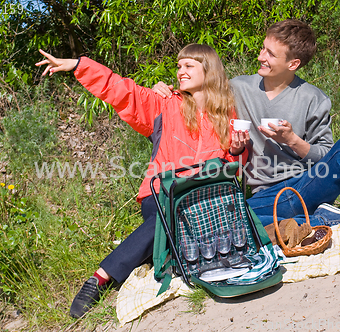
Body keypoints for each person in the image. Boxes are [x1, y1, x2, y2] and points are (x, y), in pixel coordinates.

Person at [152, 19, 340, 251]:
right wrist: (164, 90)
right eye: (263, 49)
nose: (261, 57)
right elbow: (204, 88)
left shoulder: (313, 98)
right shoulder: (237, 89)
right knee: (229, 220)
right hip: (265, 195)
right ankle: (328, 218)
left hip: (306, 183)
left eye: (270, 54)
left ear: (293, 64)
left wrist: (292, 141)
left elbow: (327, 153)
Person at [36, 44, 250, 318]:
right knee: (171, 214)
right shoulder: (165, 104)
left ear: (208, 71)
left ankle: (163, 250)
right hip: (161, 195)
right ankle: (101, 278)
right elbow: (121, 90)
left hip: (205, 202)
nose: (180, 72)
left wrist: (235, 152)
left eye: (188, 66)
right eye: (178, 66)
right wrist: (79, 65)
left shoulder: (227, 116)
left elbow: (233, 173)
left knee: (187, 224)